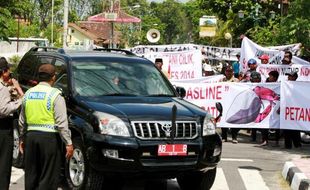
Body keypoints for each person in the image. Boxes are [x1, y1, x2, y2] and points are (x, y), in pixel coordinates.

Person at [19, 64, 73, 190]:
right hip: (49, 139)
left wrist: (22, 138)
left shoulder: (28, 94)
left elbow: (22, 120)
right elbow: (62, 123)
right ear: (53, 78)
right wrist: (68, 143)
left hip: (31, 137)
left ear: (39, 77)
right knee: (48, 176)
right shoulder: (55, 95)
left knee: (31, 175)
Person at [0, 57, 24, 190]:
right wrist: (19, 100)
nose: (10, 73)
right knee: (4, 165)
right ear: (4, 72)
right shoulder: (2, 88)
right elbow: (3, 109)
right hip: (3, 128)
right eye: (8, 70)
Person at [260, 70, 280, 146]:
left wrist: (280, 108)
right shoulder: (266, 85)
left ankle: (276, 141)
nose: (269, 78)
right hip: (267, 107)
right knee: (264, 123)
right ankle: (264, 140)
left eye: (271, 76)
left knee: (277, 125)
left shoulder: (279, 86)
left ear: (275, 77)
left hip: (276, 108)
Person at [283, 71, 301, 149]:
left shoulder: (300, 87)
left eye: (290, 76)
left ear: (294, 77)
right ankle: (288, 145)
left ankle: (297, 144)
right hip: (286, 109)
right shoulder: (285, 85)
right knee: (286, 128)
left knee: (295, 128)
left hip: (295, 110)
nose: (288, 77)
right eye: (288, 76)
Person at [221, 66, 240, 143]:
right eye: (227, 71)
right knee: (223, 121)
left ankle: (234, 137)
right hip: (224, 102)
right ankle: (224, 137)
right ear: (225, 72)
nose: (228, 72)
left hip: (233, 103)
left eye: (230, 71)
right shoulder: (221, 80)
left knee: (233, 121)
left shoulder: (236, 81)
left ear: (233, 72)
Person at [249, 71, 261, 142]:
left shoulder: (264, 85)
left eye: (257, 79)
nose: (256, 80)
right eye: (254, 79)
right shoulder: (247, 85)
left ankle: (263, 139)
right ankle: (253, 137)